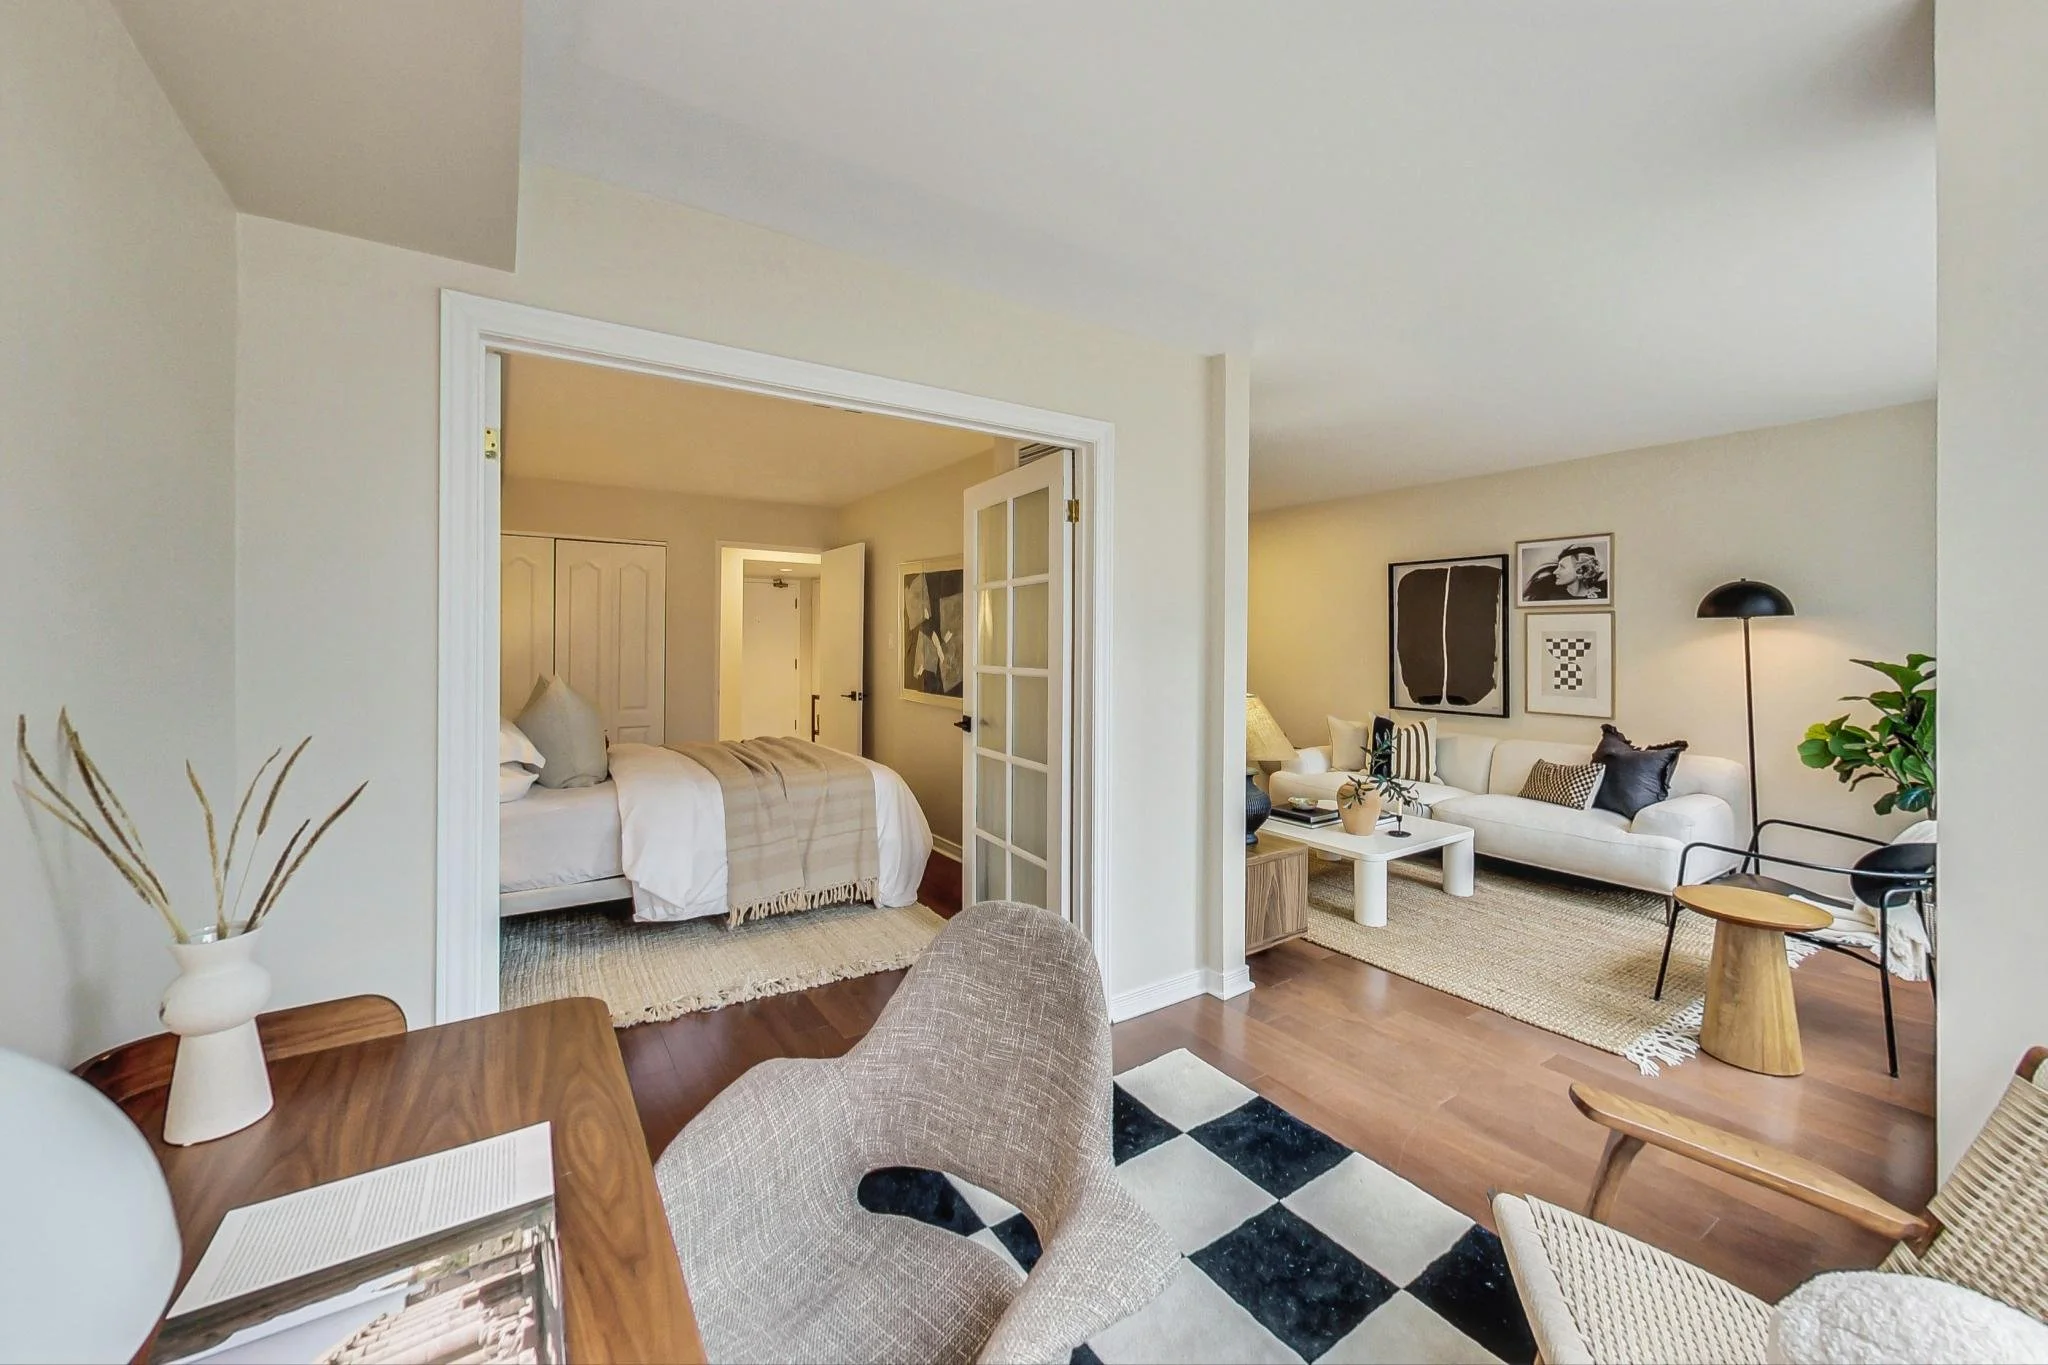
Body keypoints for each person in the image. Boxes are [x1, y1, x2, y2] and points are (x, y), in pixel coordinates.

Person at [1523, 544, 1607, 601]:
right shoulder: (1551, 597)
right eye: (1558, 566)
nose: (1555, 572)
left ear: (1581, 570)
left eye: (1562, 567)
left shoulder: (1602, 595)